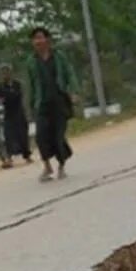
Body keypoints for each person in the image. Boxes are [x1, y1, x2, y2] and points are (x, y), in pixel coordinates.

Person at [26, 27, 78, 183]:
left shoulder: (59, 57)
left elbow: (70, 73)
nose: (38, 41)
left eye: (41, 37)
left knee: (58, 136)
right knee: (41, 135)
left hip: (59, 101)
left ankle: (61, 166)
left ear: (47, 40)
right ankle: (47, 166)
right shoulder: (31, 61)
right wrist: (31, 105)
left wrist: (73, 91)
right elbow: (31, 85)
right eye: (35, 38)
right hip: (42, 103)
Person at [0, 64, 31, 168]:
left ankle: (27, 156)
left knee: (22, 134)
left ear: (10, 73)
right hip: (8, 113)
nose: (5, 74)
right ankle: (9, 159)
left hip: (18, 112)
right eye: (3, 72)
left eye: (6, 71)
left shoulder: (17, 84)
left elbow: (17, 96)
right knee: (8, 135)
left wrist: (5, 98)